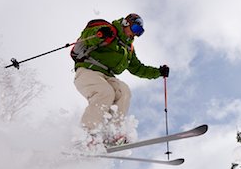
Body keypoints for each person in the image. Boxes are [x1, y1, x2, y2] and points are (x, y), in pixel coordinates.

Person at [71, 13, 169, 146]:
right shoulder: (110, 30)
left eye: (139, 33)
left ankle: (113, 133)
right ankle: (86, 135)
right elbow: (88, 36)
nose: (135, 34)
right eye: (135, 29)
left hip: (107, 75)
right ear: (126, 23)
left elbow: (137, 68)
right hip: (87, 70)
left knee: (124, 92)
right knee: (105, 93)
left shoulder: (127, 49)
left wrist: (158, 72)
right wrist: (100, 33)